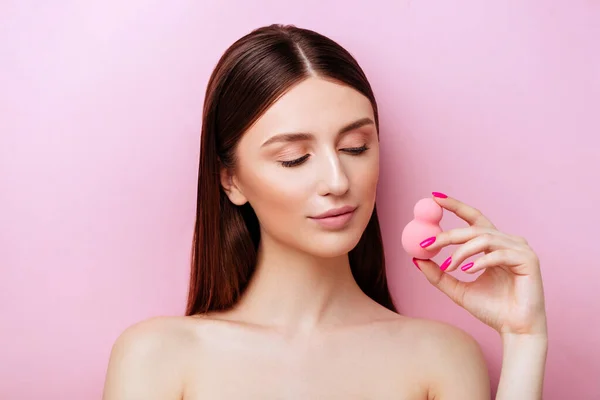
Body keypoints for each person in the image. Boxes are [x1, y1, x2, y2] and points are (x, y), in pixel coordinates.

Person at [102, 24, 548, 399]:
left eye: (356, 147)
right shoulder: (157, 356)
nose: (338, 181)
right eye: (294, 158)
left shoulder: (442, 356)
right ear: (230, 180)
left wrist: (525, 339)